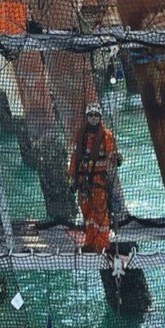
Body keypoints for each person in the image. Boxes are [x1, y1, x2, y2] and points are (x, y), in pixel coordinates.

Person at [68, 101, 123, 253]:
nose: (93, 118)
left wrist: (117, 159)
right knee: (87, 214)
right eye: (91, 115)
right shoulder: (81, 135)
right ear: (87, 117)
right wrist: (72, 178)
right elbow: (75, 158)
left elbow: (112, 155)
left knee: (100, 214)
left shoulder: (107, 136)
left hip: (99, 181)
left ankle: (102, 244)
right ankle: (90, 242)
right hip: (83, 182)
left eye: (96, 115)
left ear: (100, 117)